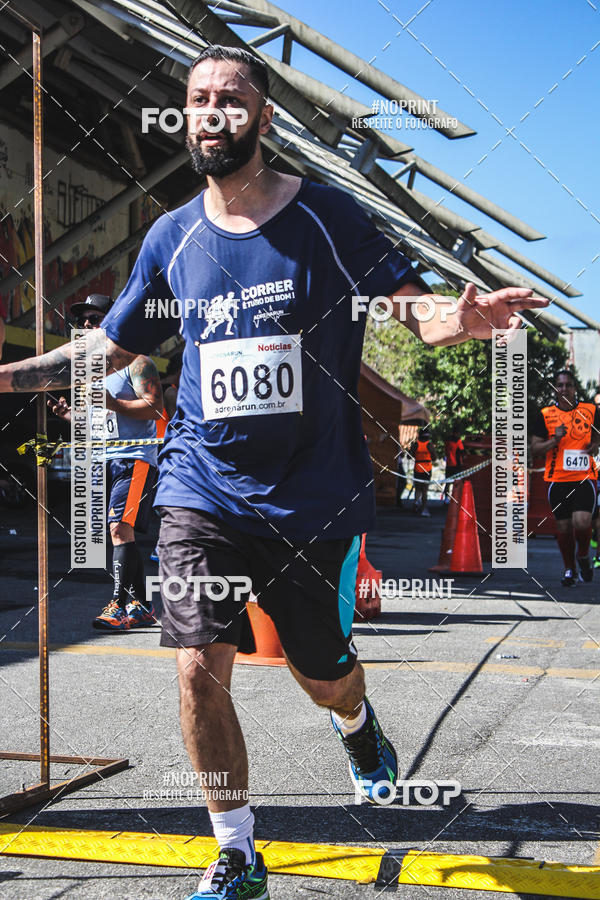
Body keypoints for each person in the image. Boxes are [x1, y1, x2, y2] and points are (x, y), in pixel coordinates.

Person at [0, 45, 547, 900]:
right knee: (193, 664)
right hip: (201, 489)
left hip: (312, 499)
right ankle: (236, 850)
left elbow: (415, 310)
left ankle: (358, 725)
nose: (211, 112)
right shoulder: (171, 237)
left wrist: (465, 317)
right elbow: (108, 349)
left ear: (261, 116)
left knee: (321, 673)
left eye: (230, 98)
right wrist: (4, 375)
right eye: (197, 99)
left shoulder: (326, 217)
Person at [48, 294, 164, 629]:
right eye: (82, 321)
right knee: (121, 532)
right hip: (105, 460)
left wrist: (113, 403)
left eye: (95, 319)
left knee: (118, 528)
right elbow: (99, 422)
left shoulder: (138, 362)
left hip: (134, 459)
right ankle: (141, 606)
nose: (86, 326)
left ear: (113, 322)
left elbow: (154, 407)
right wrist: (72, 416)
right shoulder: (91, 371)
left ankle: (118, 604)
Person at [531, 370, 600, 586]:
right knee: (563, 527)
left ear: (574, 387)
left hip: (584, 477)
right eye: (560, 385)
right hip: (557, 479)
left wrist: (595, 446)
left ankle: (583, 555)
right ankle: (569, 568)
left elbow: (597, 438)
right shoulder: (545, 414)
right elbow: (534, 448)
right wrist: (554, 441)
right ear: (555, 388)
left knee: (582, 521)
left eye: (568, 385)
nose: (564, 389)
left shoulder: (590, 411)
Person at [410, 427, 436, 516]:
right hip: (427, 469)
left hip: (417, 467)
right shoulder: (430, 445)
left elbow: (409, 456)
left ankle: (416, 503)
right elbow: (434, 458)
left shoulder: (415, 444)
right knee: (425, 489)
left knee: (417, 488)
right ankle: (424, 508)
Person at [443, 430, 464, 502]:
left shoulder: (447, 441)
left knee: (447, 482)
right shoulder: (458, 441)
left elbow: (445, 452)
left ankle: (446, 499)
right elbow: (462, 451)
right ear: (457, 433)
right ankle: (455, 498)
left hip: (449, 464)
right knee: (457, 482)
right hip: (457, 464)